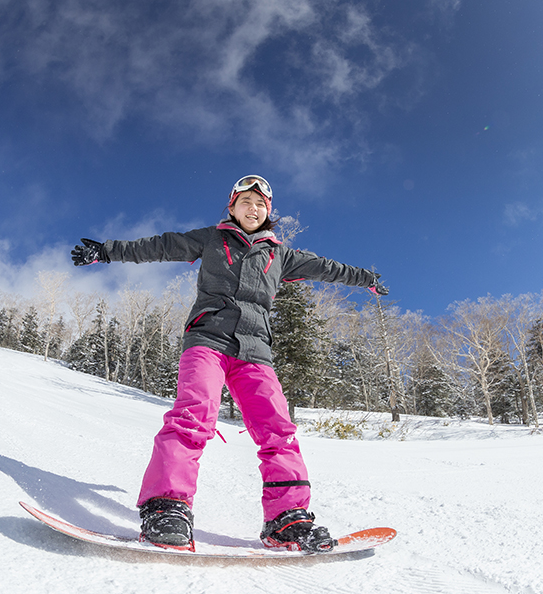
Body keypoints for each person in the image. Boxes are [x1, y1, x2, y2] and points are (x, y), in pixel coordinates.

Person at [71, 175, 388, 553]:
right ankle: (167, 507)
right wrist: (107, 250)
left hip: (255, 352)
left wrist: (366, 277)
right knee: (193, 416)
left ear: (268, 213)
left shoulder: (279, 255)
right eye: (245, 202)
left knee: (278, 430)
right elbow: (161, 245)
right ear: (232, 206)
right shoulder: (211, 239)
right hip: (207, 339)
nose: (252, 209)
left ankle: (287, 519)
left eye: (260, 204)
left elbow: (326, 268)